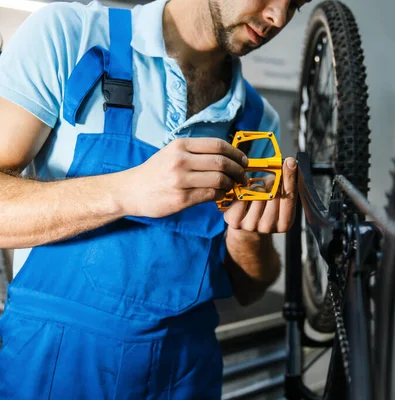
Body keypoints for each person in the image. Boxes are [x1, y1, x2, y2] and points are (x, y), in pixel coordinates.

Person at [0, 0, 308, 397]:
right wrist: (127, 191)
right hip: (53, 367)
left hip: (184, 375)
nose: (277, 17)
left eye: (296, 5)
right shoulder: (70, 36)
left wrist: (249, 236)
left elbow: (249, 289)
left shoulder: (255, 121)